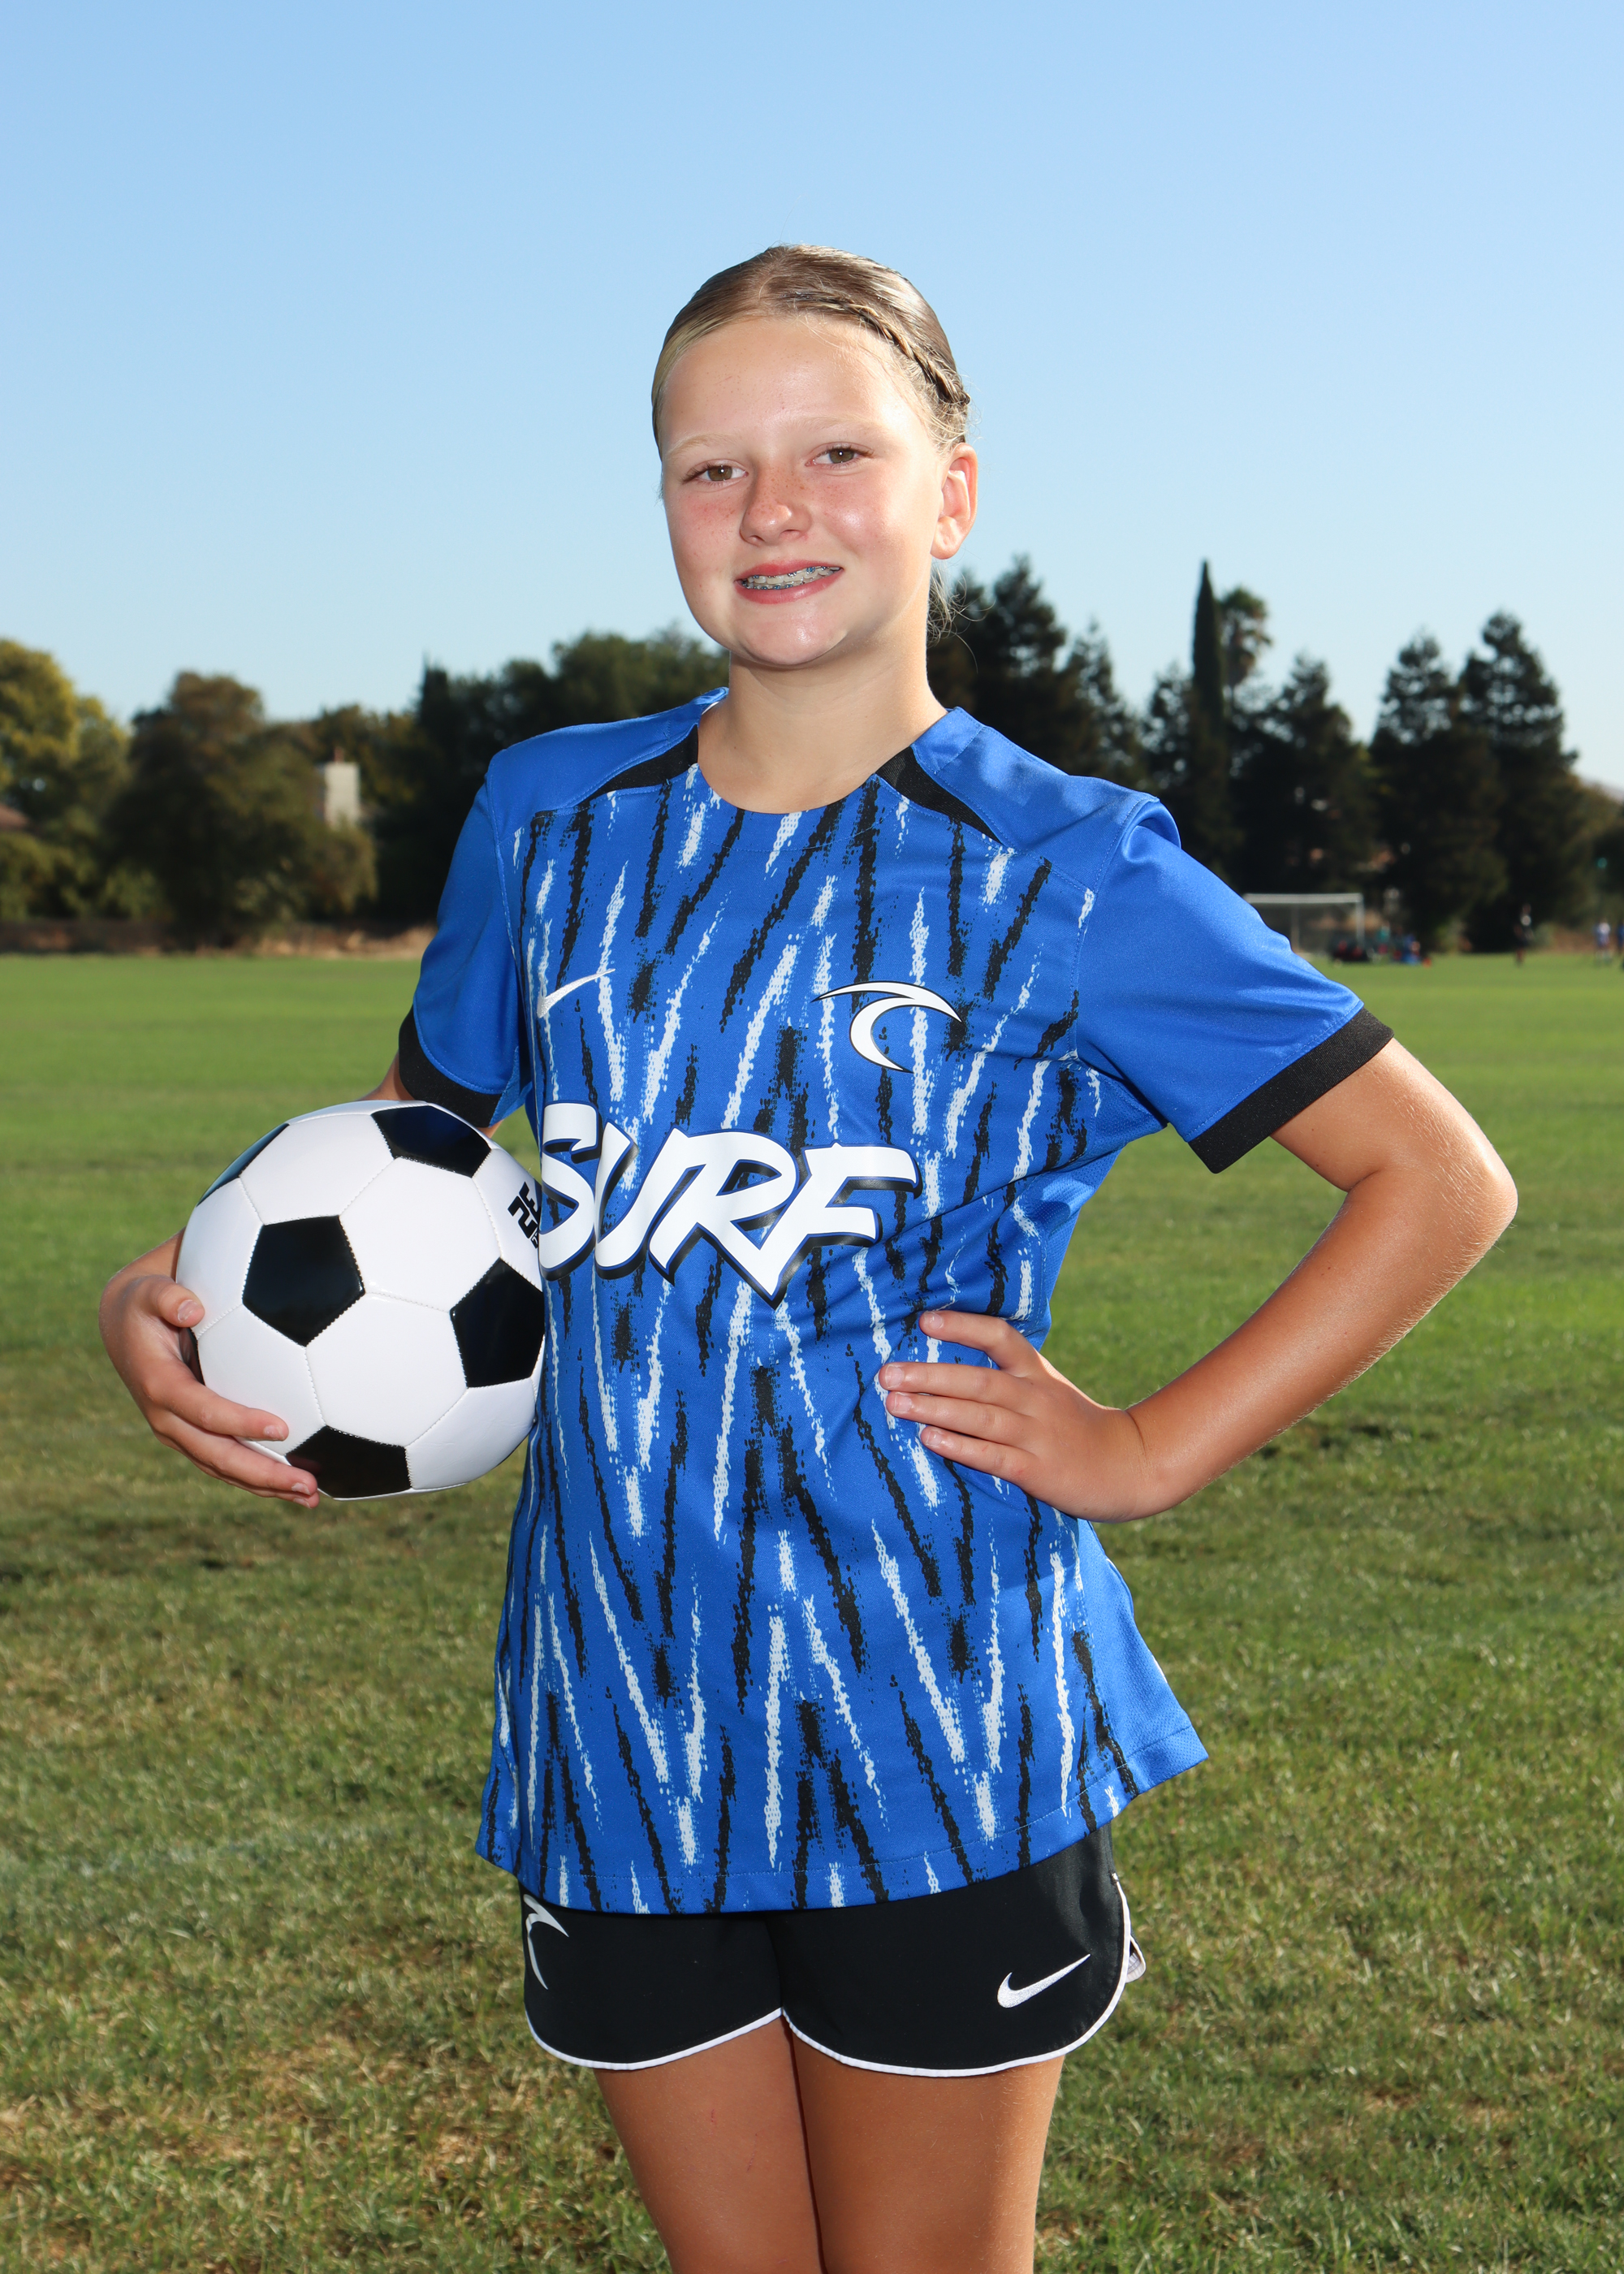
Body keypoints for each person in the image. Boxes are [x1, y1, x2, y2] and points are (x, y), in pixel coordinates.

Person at [97, 246, 1518, 2274]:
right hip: (617, 1719)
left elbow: (1434, 1180)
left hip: (930, 1716)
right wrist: (161, 1288)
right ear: (665, 502)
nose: (771, 507)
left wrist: (1149, 1446)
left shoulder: (1070, 864)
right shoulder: (547, 817)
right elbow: (410, 1162)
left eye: (836, 451)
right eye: (712, 465)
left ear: (951, 491)